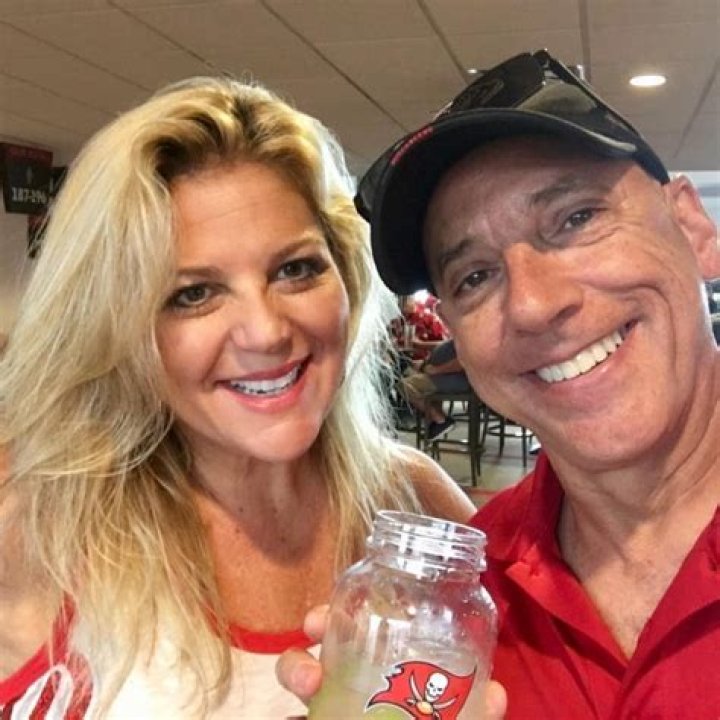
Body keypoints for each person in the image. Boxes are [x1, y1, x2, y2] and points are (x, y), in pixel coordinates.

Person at [0, 77, 475, 718]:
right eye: (193, 293)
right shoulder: (35, 519)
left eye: (296, 269)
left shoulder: (416, 506)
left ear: (346, 276)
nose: (267, 331)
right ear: (119, 324)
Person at [278, 49, 720, 718]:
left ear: (692, 225)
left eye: (576, 218)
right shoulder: (461, 615)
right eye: (475, 277)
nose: (534, 304)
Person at [397, 338, 471, 441]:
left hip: (451, 378)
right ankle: (437, 420)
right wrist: (420, 345)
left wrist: (437, 370)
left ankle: (440, 420)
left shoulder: (470, 336)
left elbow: (464, 360)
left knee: (404, 385)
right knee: (409, 372)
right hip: (440, 374)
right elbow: (445, 345)